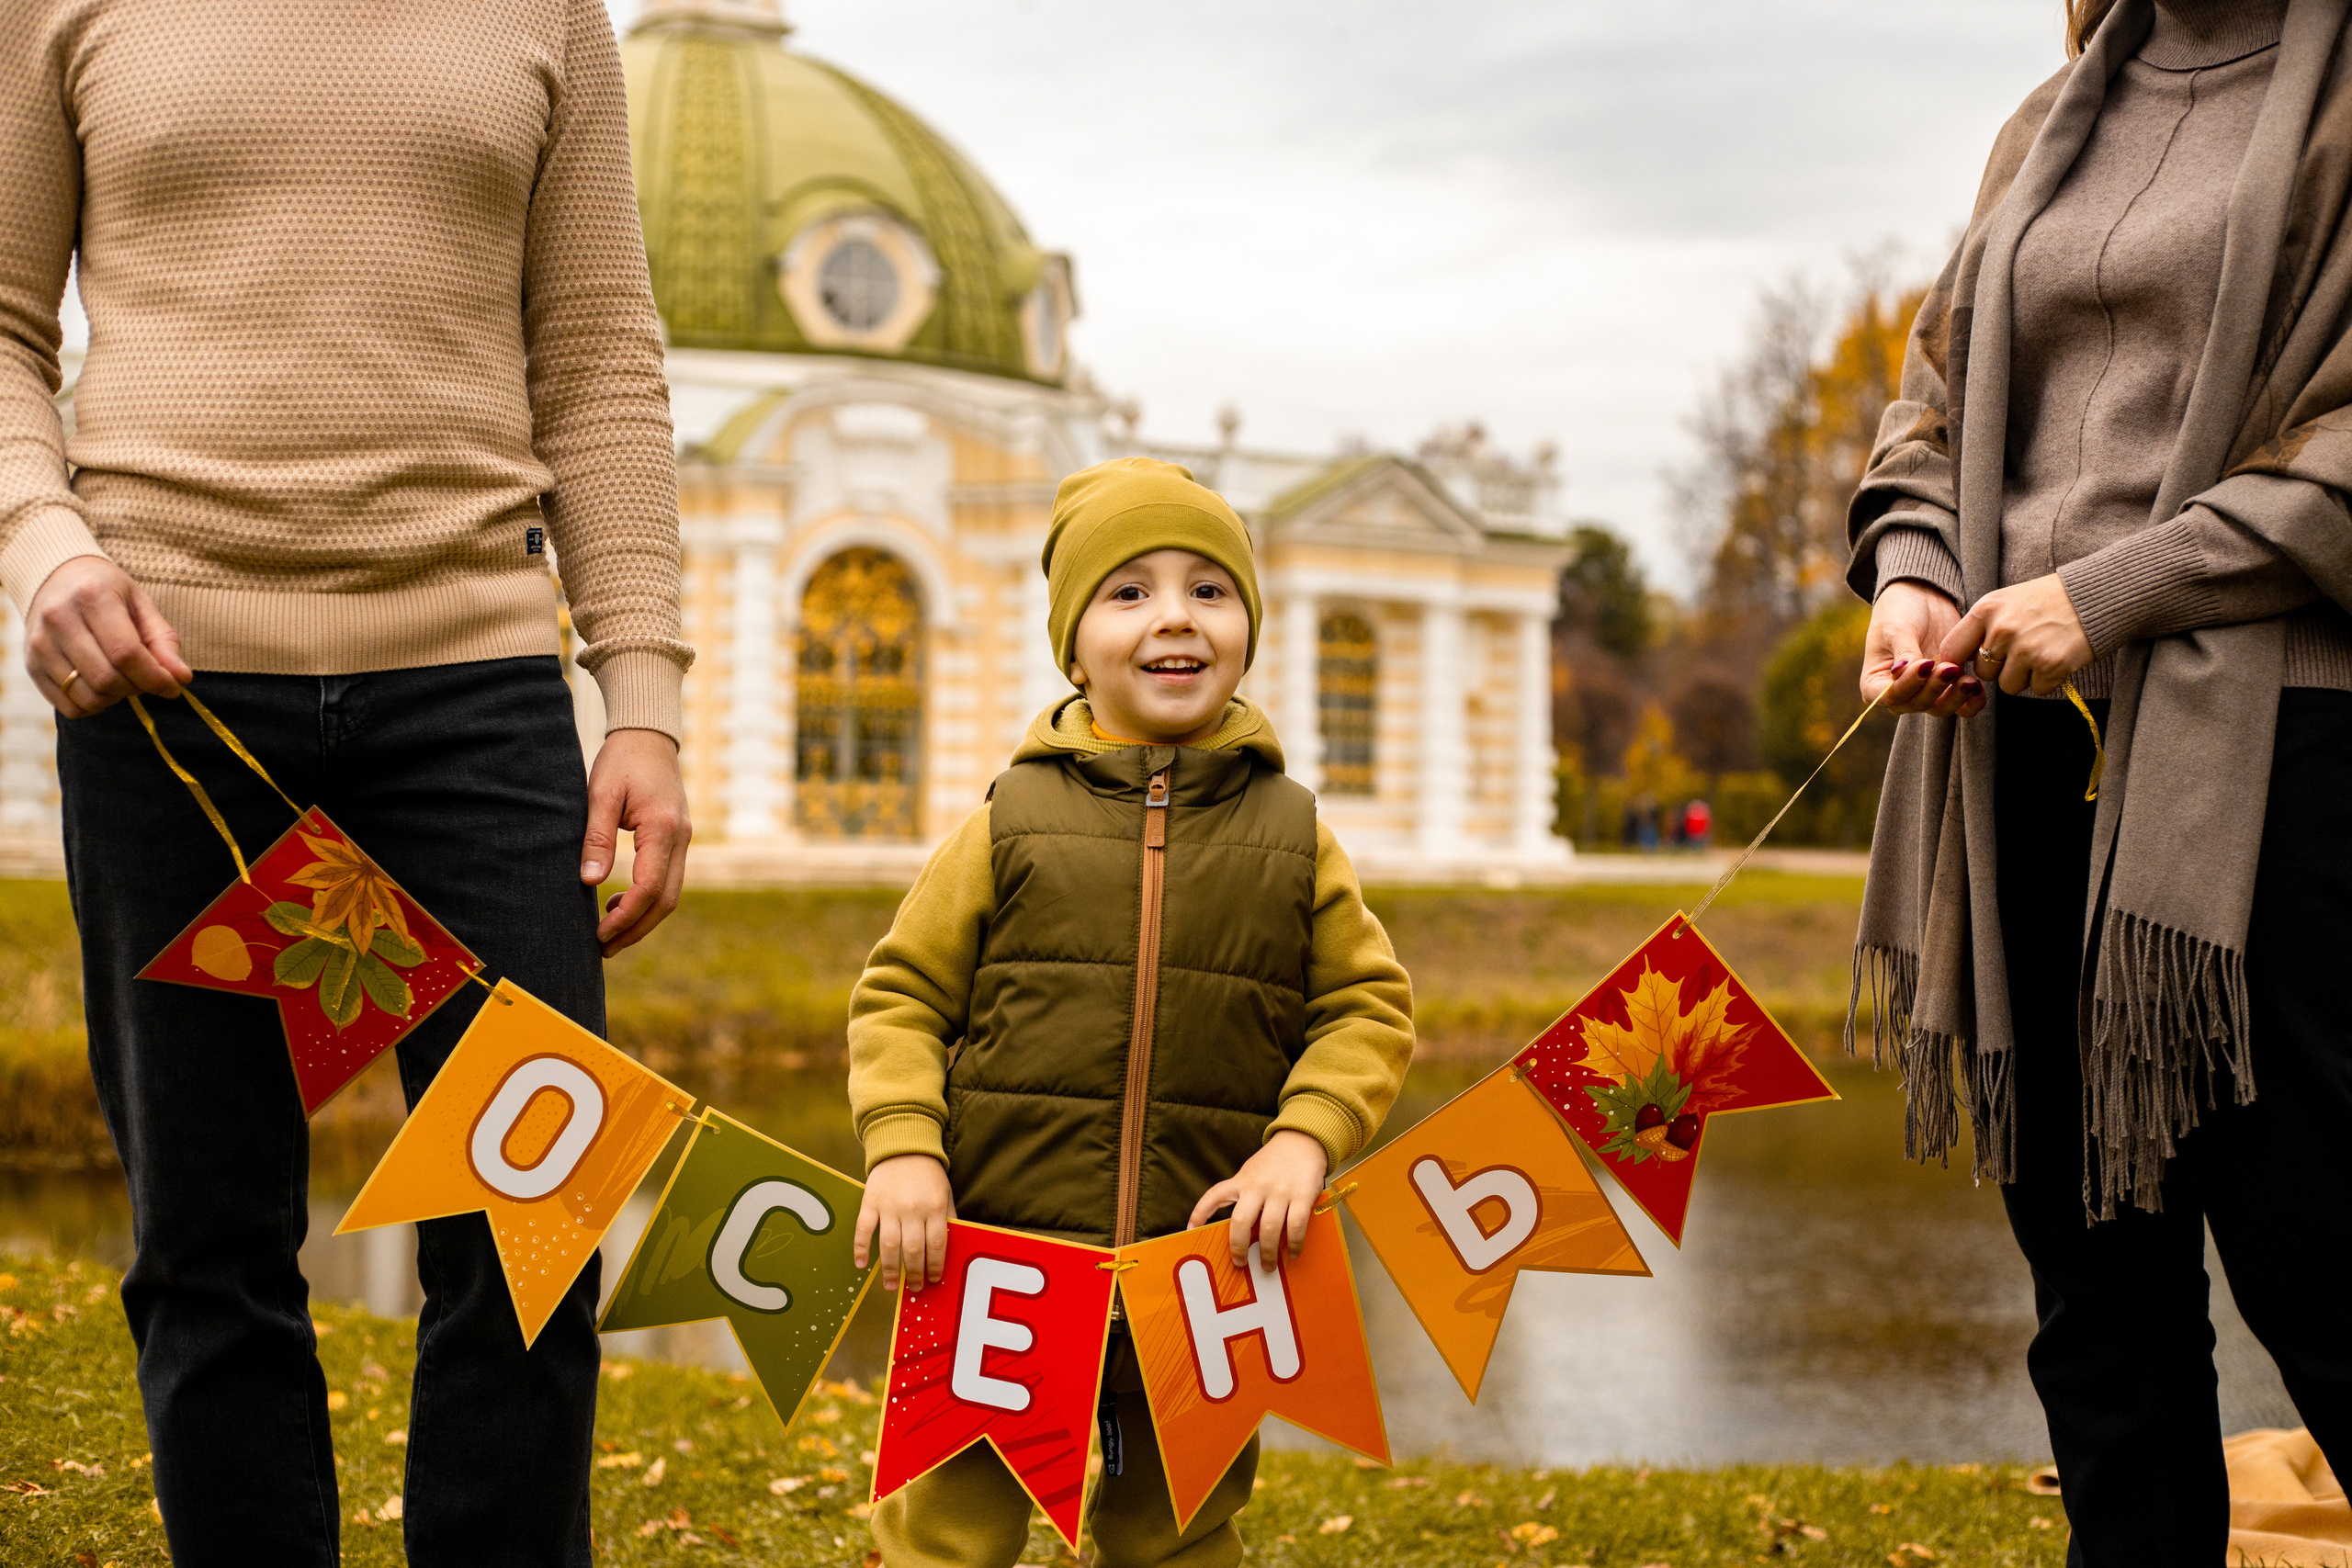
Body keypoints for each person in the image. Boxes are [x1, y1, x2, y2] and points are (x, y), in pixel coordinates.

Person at [0, 2, 693, 1563]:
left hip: (480, 690)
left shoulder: (547, 16)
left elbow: (597, 355)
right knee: (210, 1240)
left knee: (532, 1225)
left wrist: (640, 697)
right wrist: (44, 541)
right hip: (165, 686)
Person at [1848, 2, 2352, 1563]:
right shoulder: (2055, 113)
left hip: (2271, 759)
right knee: (2095, 1292)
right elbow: (1930, 408)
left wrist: (2116, 590)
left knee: (2322, 1266)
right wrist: (1914, 570)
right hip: (2013, 749)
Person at [845, 457, 1416, 1568]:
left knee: (1182, 1527)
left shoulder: (1292, 833)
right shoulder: (1011, 819)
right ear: (1072, 643)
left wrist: (1302, 1146)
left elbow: (1366, 1007)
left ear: (1248, 627)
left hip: (1207, 1271)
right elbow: (901, 995)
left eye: (1210, 590)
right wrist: (904, 1149)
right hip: (1002, 1263)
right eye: (1130, 591)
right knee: (948, 1529)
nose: (1175, 620)